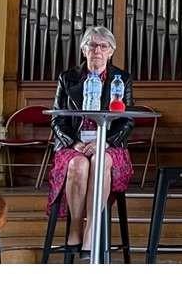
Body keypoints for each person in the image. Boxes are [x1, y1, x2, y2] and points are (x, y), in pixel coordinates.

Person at [47, 26, 134, 258]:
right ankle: (75, 224)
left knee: (100, 162)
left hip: (108, 146)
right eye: (92, 45)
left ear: (111, 51)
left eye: (103, 46)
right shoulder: (67, 78)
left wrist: (105, 142)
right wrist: (73, 143)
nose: (97, 50)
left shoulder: (121, 79)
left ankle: (91, 229)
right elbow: (57, 119)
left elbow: (127, 121)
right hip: (73, 144)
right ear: (84, 50)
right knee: (79, 165)